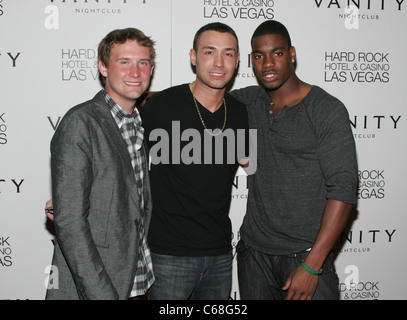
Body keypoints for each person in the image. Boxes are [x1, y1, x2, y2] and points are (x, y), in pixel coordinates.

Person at [231, 20, 358, 300]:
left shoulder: (325, 109)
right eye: (259, 56)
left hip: (305, 257)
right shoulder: (249, 101)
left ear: (292, 54)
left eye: (277, 53)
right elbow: (201, 101)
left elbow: (345, 190)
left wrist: (312, 266)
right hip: (254, 257)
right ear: (251, 60)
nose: (267, 64)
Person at [141, 22, 249, 300]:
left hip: (221, 256)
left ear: (237, 61)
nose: (219, 62)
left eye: (228, 54)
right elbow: (121, 159)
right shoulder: (160, 106)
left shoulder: (240, 114)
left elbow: (258, 166)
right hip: (168, 256)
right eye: (209, 52)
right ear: (193, 56)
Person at [45, 27, 155, 300]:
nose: (135, 72)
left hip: (139, 281)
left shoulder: (138, 123)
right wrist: (101, 294)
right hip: (99, 287)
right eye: (124, 62)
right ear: (103, 67)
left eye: (143, 63)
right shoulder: (81, 123)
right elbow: (70, 223)